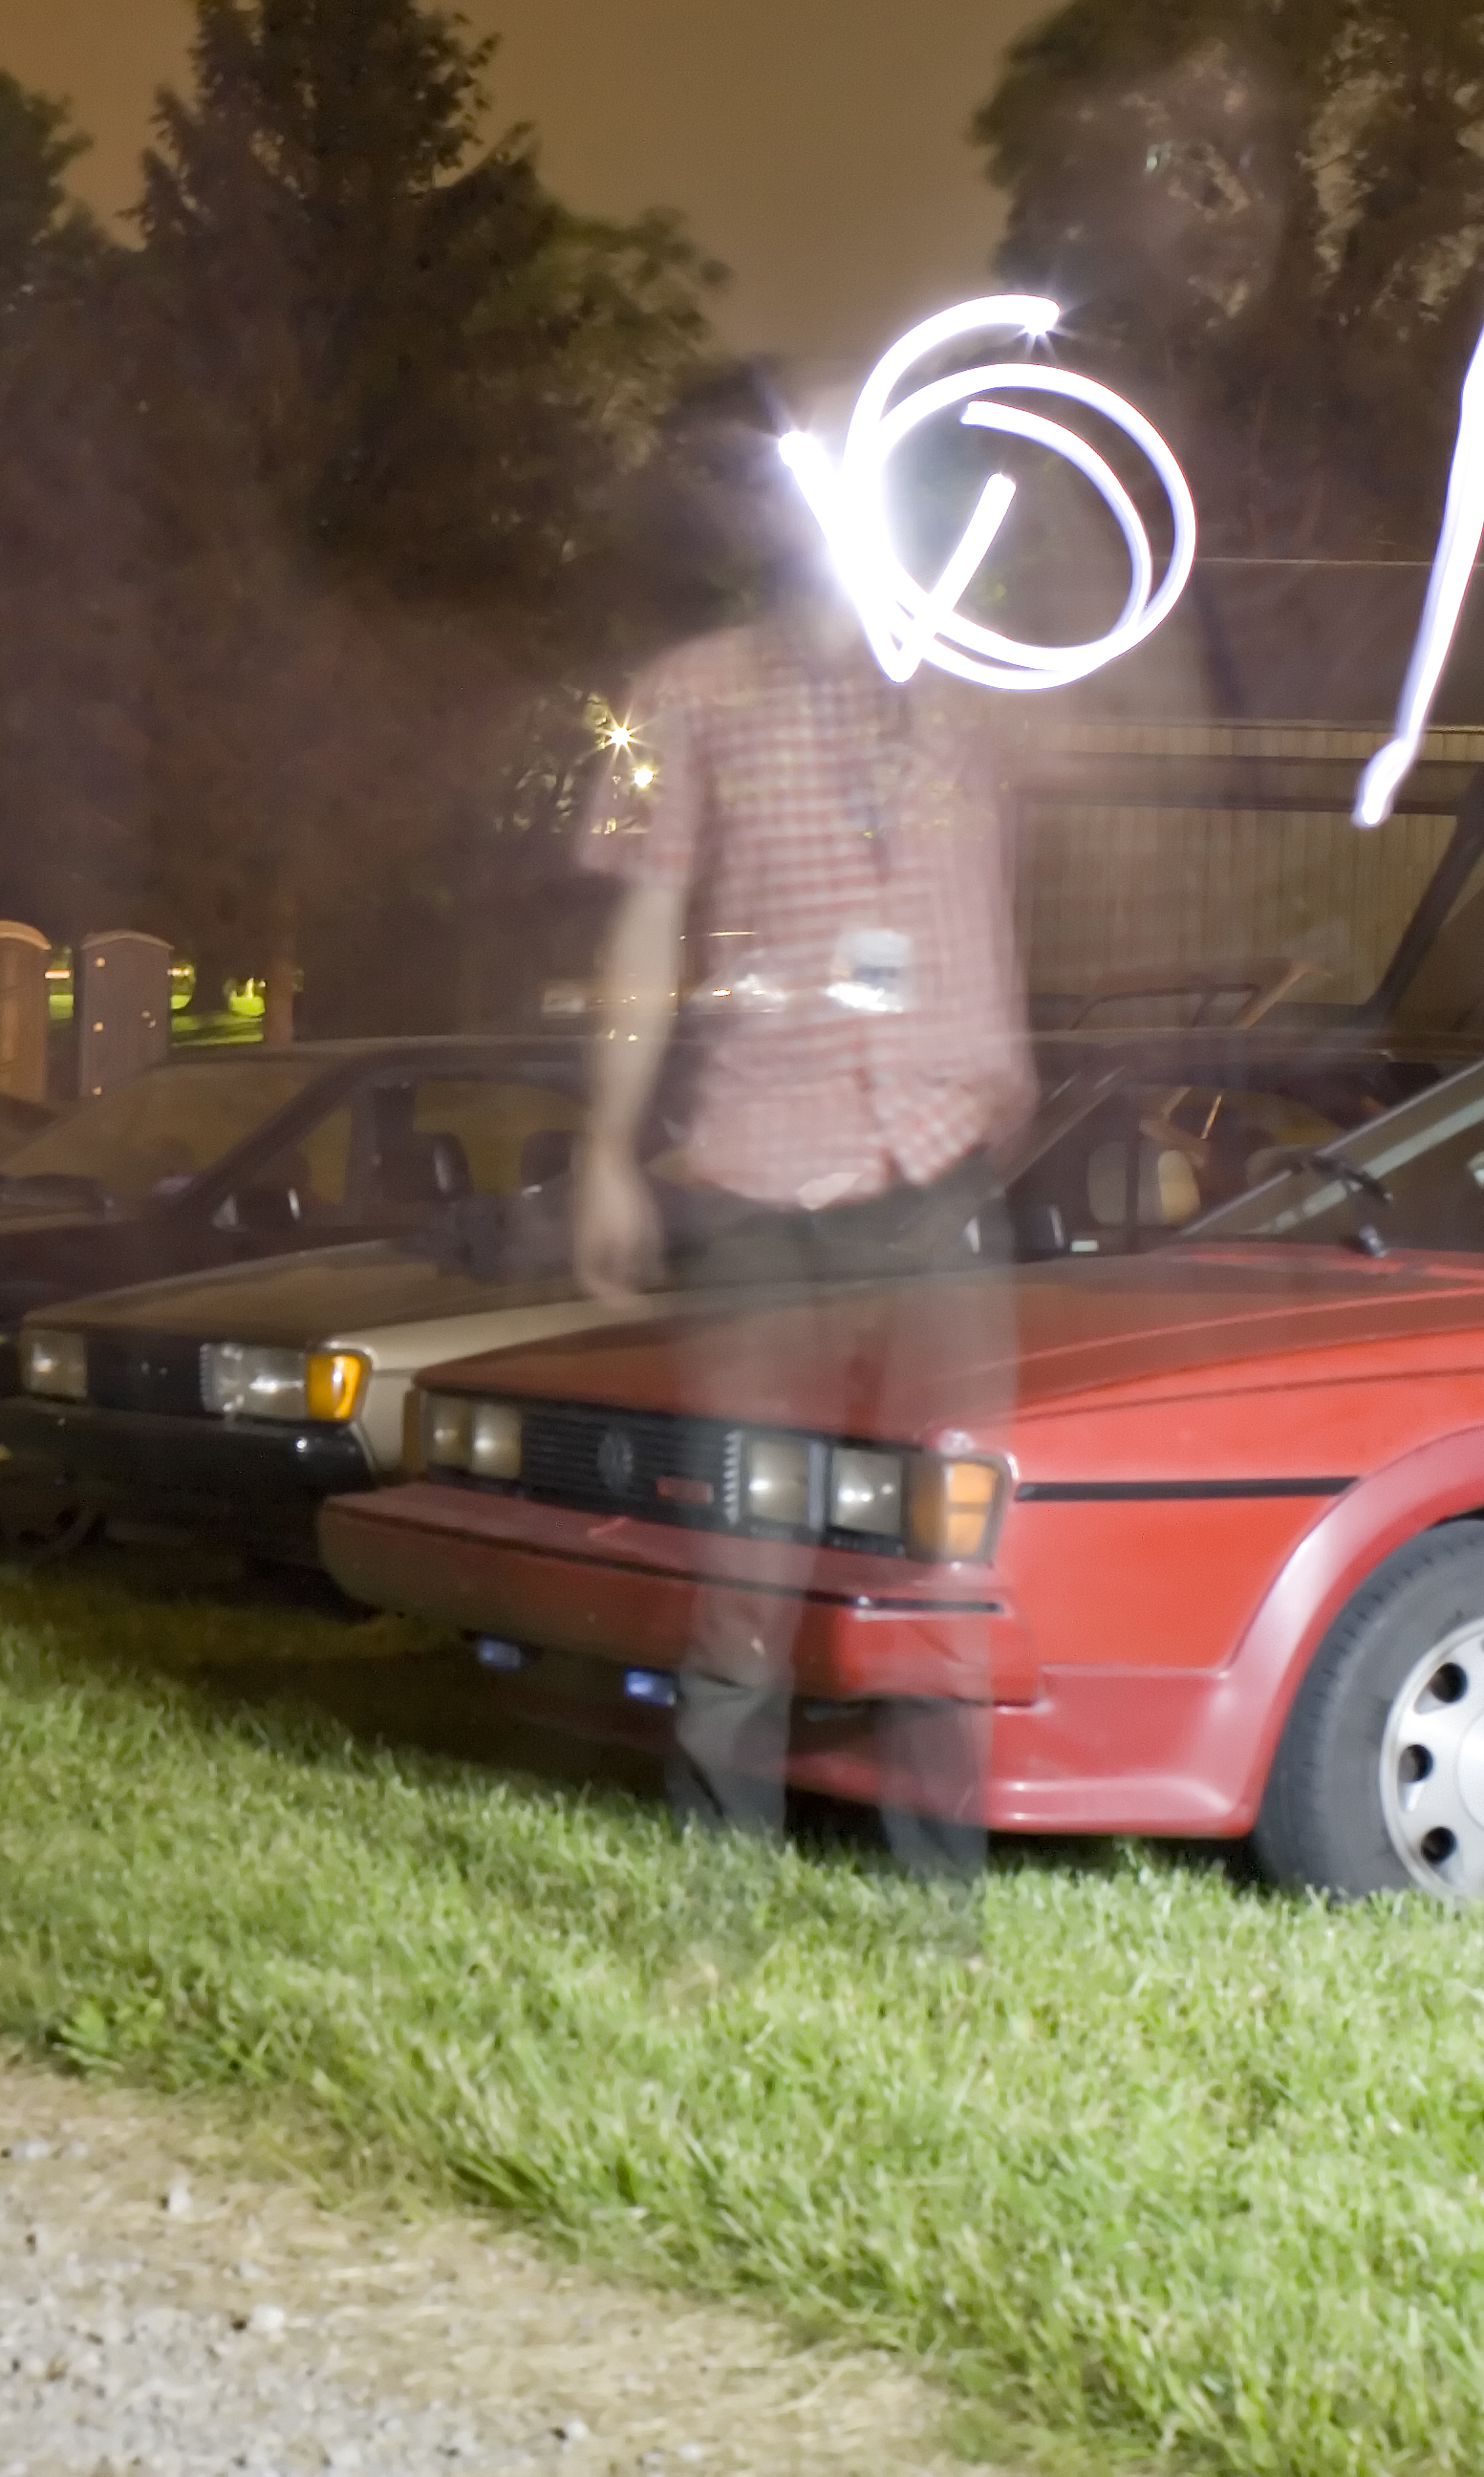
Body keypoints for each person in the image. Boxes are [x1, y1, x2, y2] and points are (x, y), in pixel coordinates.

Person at [570, 479, 1032, 1893]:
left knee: (950, 1553)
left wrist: (1009, 1066)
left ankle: (939, 1915)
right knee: (747, 1562)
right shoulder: (690, 695)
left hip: (941, 1180)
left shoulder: (964, 701)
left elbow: (988, 901)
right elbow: (645, 922)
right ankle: (719, 1911)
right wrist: (605, 1147)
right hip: (757, 1186)